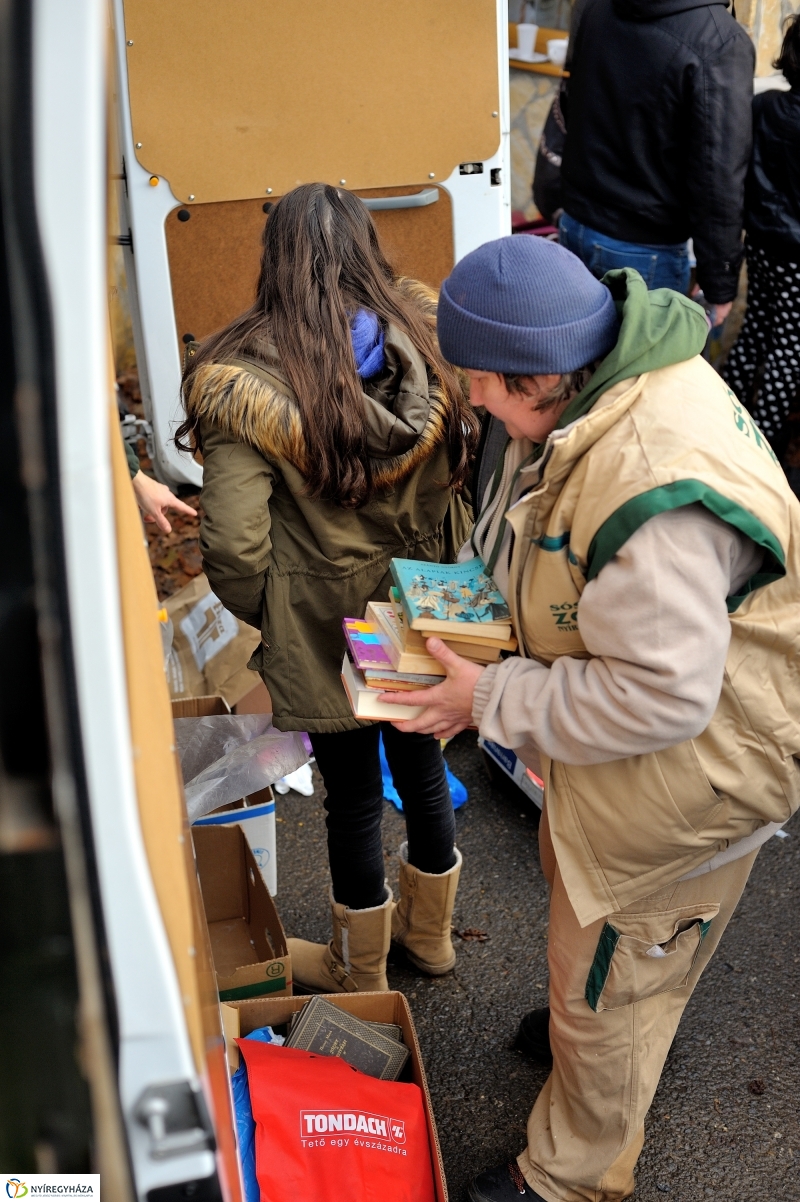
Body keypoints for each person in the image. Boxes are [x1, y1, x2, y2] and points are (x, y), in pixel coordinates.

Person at [382, 235, 800, 1202]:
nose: (474, 404)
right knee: (609, 943)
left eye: (478, 386)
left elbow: (661, 695)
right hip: (654, 753)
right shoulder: (616, 384)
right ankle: (593, 1028)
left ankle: (568, 1177)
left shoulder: (651, 484)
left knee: (619, 967)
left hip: (698, 768)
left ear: (535, 379)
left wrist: (482, 697)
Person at [176, 183, 478, 994]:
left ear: (274, 261)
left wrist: (275, 612)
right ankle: (434, 939)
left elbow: (235, 545)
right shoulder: (426, 338)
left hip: (322, 622)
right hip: (419, 605)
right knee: (420, 766)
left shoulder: (243, 383)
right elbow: (465, 473)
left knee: (350, 799)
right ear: (367, 246)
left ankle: (362, 967)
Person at [556, 0, 754, 327]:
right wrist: (719, 282)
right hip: (642, 247)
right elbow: (718, 177)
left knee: (581, 369)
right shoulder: (719, 40)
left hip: (576, 225)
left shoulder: (595, 7)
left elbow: (572, 102)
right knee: (648, 375)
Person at [722, 15, 800, 453]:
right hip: (796, 257)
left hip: (763, 243)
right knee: (786, 348)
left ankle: (724, 417)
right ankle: (761, 445)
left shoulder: (764, 106)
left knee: (756, 329)